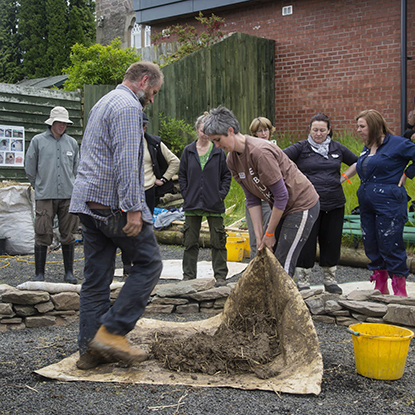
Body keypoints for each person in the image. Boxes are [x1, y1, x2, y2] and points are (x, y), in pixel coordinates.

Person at [69, 61, 164, 370]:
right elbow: (126, 163)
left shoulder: (104, 102)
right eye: (153, 92)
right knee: (149, 263)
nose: (152, 99)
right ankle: (112, 332)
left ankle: (90, 351)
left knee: (96, 280)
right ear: (144, 80)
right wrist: (134, 208)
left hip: (89, 204)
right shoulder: (127, 107)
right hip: (114, 207)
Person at [203, 106, 320, 277]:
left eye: (218, 139)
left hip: (301, 205)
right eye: (213, 141)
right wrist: (260, 236)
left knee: (282, 265)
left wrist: (270, 233)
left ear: (230, 131)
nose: (217, 145)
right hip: (282, 207)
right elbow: (252, 199)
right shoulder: (232, 160)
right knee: (265, 255)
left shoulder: (260, 152)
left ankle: (283, 302)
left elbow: (281, 195)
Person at [284, 113, 358, 293]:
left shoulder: (337, 148)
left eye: (322, 130)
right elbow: (280, 159)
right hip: (307, 204)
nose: (318, 134)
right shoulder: (301, 148)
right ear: (309, 130)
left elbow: (358, 162)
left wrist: (343, 178)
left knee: (331, 241)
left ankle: (330, 279)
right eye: (315, 130)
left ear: (329, 130)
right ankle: (303, 280)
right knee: (306, 242)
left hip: (334, 203)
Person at [356, 109, 415, 297]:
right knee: (371, 242)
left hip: (389, 202)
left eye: (362, 126)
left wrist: (407, 174)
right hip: (366, 201)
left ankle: (400, 288)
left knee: (390, 242)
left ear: (373, 125)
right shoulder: (368, 147)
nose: (358, 130)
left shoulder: (398, 144)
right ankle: (380, 285)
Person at [25, 106, 79, 284]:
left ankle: (69, 273)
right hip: (45, 195)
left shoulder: (71, 143)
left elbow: (76, 169)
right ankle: (39, 274)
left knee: (68, 234)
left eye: (65, 122)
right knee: (42, 233)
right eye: (59, 122)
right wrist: (39, 186)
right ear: (52, 123)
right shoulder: (37, 141)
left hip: (67, 195)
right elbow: (30, 168)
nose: (62, 125)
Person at [121, 112, 180, 277]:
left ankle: (143, 263)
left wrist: (163, 179)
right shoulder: (124, 141)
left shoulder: (153, 142)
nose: (142, 129)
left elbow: (175, 161)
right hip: (128, 191)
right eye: (140, 126)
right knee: (127, 229)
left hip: (147, 190)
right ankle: (127, 265)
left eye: (145, 126)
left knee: (145, 228)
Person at [178, 112, 232, 286]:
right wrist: (186, 194)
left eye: (207, 130)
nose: (204, 133)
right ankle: (188, 276)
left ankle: (221, 276)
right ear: (196, 130)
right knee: (190, 242)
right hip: (192, 203)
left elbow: (226, 175)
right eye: (201, 130)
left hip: (214, 203)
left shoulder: (218, 151)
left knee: (218, 241)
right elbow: (182, 175)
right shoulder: (188, 151)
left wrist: (221, 194)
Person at [244, 117, 275, 259]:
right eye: (260, 131)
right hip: (253, 199)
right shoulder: (250, 151)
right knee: (255, 238)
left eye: (266, 130)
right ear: (254, 133)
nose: (263, 133)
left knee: (270, 238)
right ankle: (254, 268)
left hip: (271, 200)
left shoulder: (275, 149)